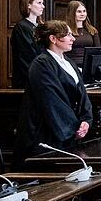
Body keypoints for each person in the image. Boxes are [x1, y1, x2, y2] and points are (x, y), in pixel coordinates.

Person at [14, 20, 92, 160]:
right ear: (53, 39)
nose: (73, 39)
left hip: (69, 131)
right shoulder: (41, 64)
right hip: (48, 134)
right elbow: (51, 101)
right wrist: (73, 128)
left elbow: (82, 95)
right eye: (68, 34)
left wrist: (85, 120)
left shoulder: (69, 62)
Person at [10, 0, 45, 88]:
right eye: (39, 3)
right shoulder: (22, 27)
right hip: (27, 80)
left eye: (42, 3)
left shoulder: (39, 26)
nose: (43, 6)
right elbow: (28, 56)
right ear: (29, 5)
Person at [64, 0, 101, 68]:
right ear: (72, 13)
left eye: (84, 11)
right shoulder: (65, 29)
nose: (82, 14)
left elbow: (97, 50)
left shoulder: (92, 30)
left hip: (88, 65)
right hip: (70, 64)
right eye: (79, 11)